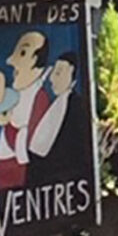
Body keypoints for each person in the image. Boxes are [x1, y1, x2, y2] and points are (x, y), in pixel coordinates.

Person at [0, 31, 50, 190]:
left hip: (21, 171)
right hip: (4, 168)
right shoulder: (14, 95)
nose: (11, 62)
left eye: (23, 53)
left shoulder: (39, 98)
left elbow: (32, 143)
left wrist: (8, 127)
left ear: (35, 59)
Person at [28, 52, 89, 184]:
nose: (52, 79)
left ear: (71, 73)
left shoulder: (75, 106)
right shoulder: (56, 104)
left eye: (58, 73)